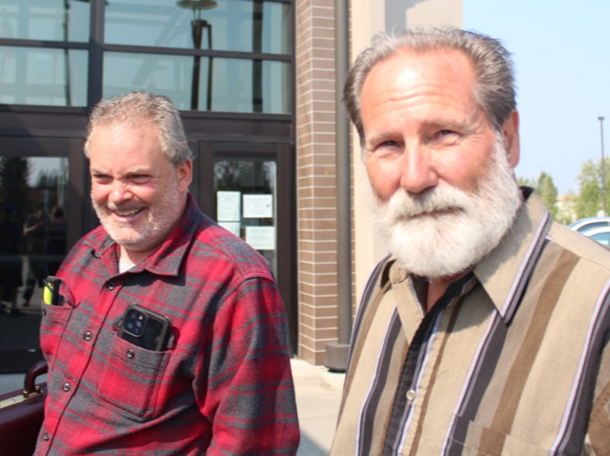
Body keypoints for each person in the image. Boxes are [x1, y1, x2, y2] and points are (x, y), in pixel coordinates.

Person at [330, 29, 610, 455]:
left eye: (443, 133)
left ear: (509, 139)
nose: (414, 177)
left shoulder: (599, 305)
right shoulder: (386, 286)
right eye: (387, 144)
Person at [35, 92, 299, 455]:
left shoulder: (235, 284)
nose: (116, 195)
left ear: (182, 174)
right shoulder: (86, 252)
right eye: (102, 177)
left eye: (137, 176)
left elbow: (255, 443)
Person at [0, 203, 23, 316]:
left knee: (2, 282)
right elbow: (18, 242)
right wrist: (20, 254)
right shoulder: (15, 225)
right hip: (13, 256)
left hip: (2, 256)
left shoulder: (2, 224)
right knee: (14, 283)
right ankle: (14, 306)